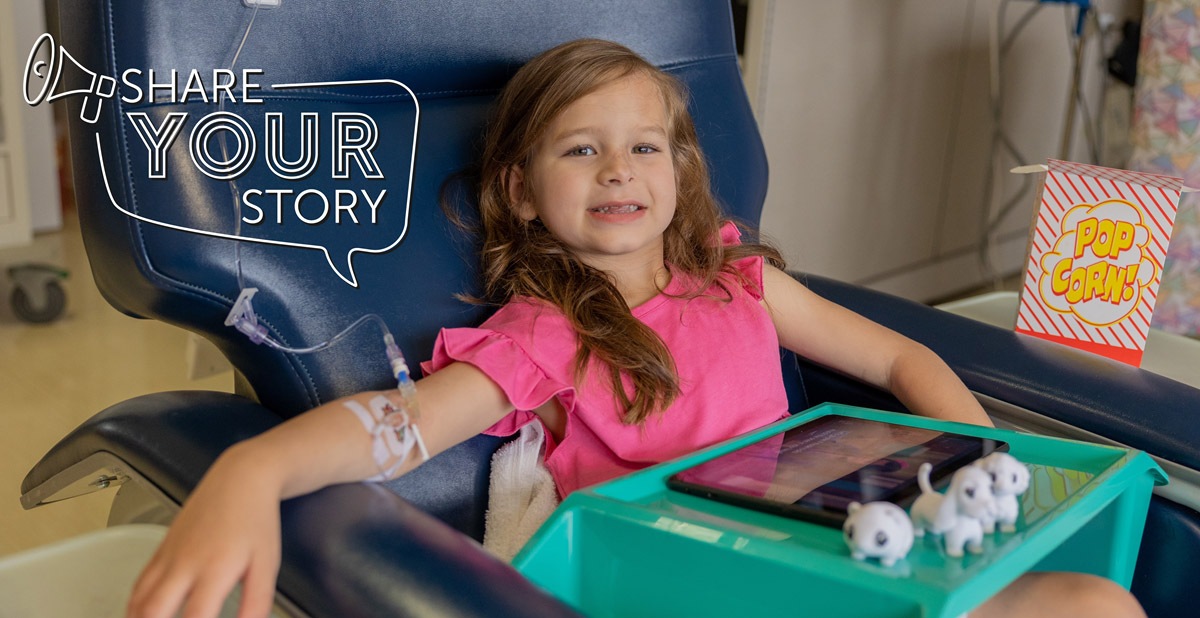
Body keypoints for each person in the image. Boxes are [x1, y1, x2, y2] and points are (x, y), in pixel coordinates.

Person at [127, 39, 1145, 618]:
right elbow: (401, 425)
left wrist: (1000, 467)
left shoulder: (739, 280)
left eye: (644, 145)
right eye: (582, 148)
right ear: (521, 194)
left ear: (680, 173)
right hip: (693, 588)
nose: (619, 169)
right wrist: (249, 473)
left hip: (843, 560)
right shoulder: (550, 333)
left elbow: (898, 354)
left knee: (1098, 607)